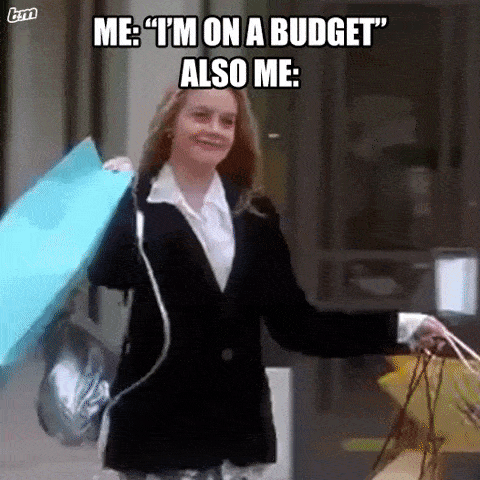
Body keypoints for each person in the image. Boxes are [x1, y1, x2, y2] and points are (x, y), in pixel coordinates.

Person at [88, 86, 447, 480]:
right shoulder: (139, 204)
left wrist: (402, 327)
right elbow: (107, 272)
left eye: (227, 121)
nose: (215, 129)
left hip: (235, 445)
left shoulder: (254, 214)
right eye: (201, 115)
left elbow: (297, 326)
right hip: (156, 442)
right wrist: (114, 200)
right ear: (171, 124)